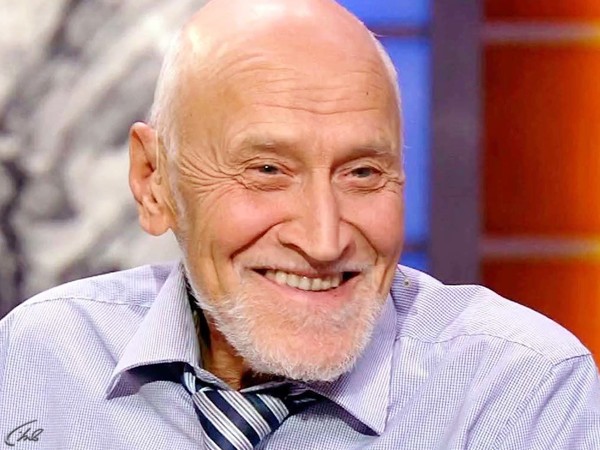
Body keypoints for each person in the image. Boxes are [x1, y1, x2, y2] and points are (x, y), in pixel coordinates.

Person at [1, 0, 599, 448]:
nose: (323, 239)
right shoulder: (35, 361)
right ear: (154, 180)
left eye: (362, 173)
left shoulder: (517, 394)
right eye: (267, 170)